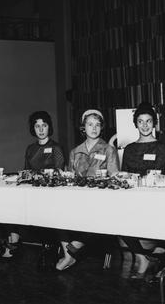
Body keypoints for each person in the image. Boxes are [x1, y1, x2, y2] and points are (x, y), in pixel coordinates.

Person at [56, 109, 119, 271]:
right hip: (77, 198)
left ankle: (74, 247)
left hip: (100, 199)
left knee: (93, 214)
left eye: (98, 125)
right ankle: (68, 255)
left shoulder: (108, 150)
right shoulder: (75, 152)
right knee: (56, 212)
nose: (94, 128)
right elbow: (70, 177)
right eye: (90, 124)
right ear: (83, 127)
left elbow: (115, 177)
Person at [0, 111, 65, 261]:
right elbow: (26, 171)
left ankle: (50, 247)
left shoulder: (56, 148)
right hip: (32, 191)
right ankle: (13, 242)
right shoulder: (30, 148)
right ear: (33, 129)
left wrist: (38, 175)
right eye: (37, 126)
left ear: (49, 127)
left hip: (50, 193)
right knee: (9, 203)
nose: (41, 129)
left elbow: (59, 171)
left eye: (44, 125)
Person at [120, 102, 165, 279]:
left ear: (154, 123)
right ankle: (143, 257)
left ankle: (148, 254)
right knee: (114, 217)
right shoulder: (129, 149)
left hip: (153, 199)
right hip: (132, 198)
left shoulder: (161, 147)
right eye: (141, 121)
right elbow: (124, 174)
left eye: (149, 121)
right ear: (136, 124)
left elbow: (159, 174)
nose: (145, 125)